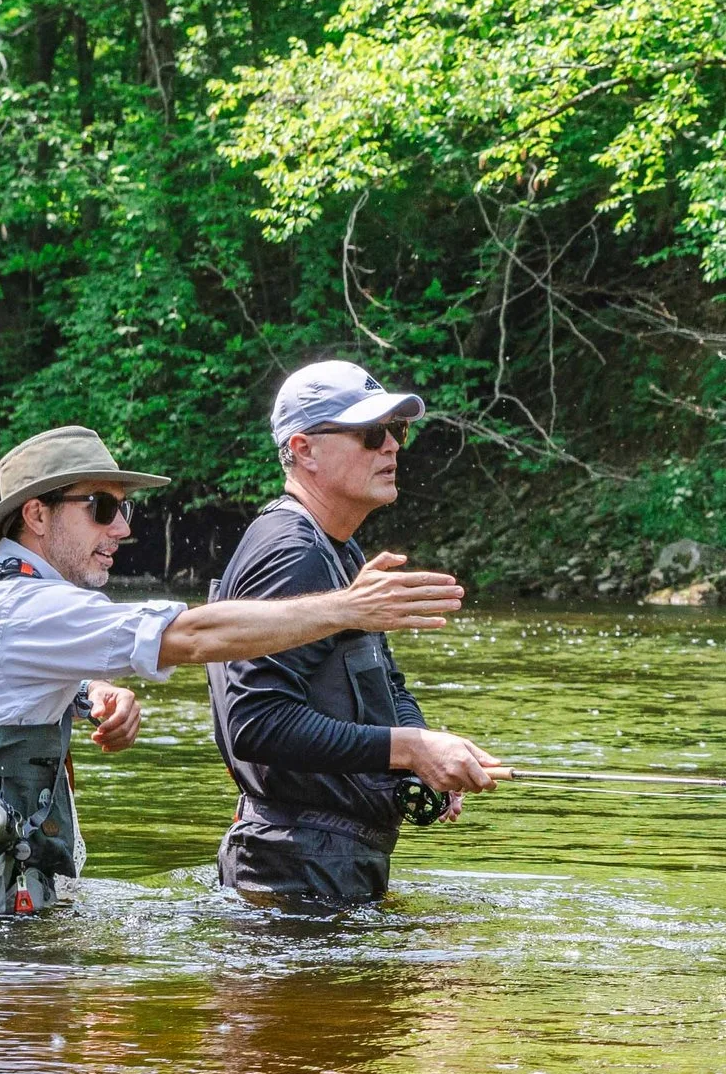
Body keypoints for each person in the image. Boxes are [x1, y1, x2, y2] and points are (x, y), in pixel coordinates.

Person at [0, 424, 467, 911]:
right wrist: (346, 608)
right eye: (103, 508)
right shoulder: (27, 607)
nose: (122, 529)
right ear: (36, 514)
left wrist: (89, 692)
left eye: (124, 508)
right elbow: (191, 636)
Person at [208, 361, 506, 910]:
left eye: (398, 431)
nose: (391, 447)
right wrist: (411, 750)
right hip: (292, 869)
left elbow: (386, 685)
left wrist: (423, 765)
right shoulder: (290, 551)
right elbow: (256, 722)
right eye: (371, 434)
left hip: (325, 863)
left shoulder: (338, 550)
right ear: (304, 449)